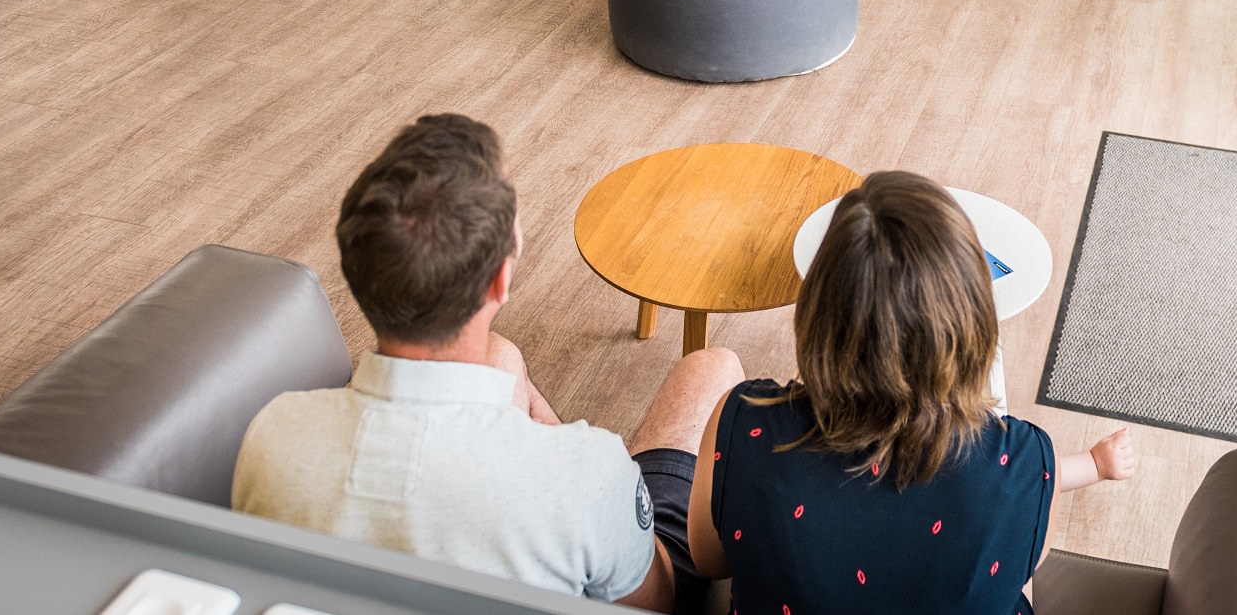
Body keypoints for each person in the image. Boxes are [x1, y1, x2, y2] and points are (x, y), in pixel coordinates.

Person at [232, 114, 743, 613]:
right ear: (500, 280)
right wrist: (582, 471)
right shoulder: (586, 471)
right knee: (711, 368)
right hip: (592, 517)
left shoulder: (273, 434)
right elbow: (654, 602)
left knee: (501, 357)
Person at [687, 171, 1136, 615]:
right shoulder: (1024, 461)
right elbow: (1018, 569)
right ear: (973, 329)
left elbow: (707, 560)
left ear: (817, 316)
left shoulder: (744, 422)